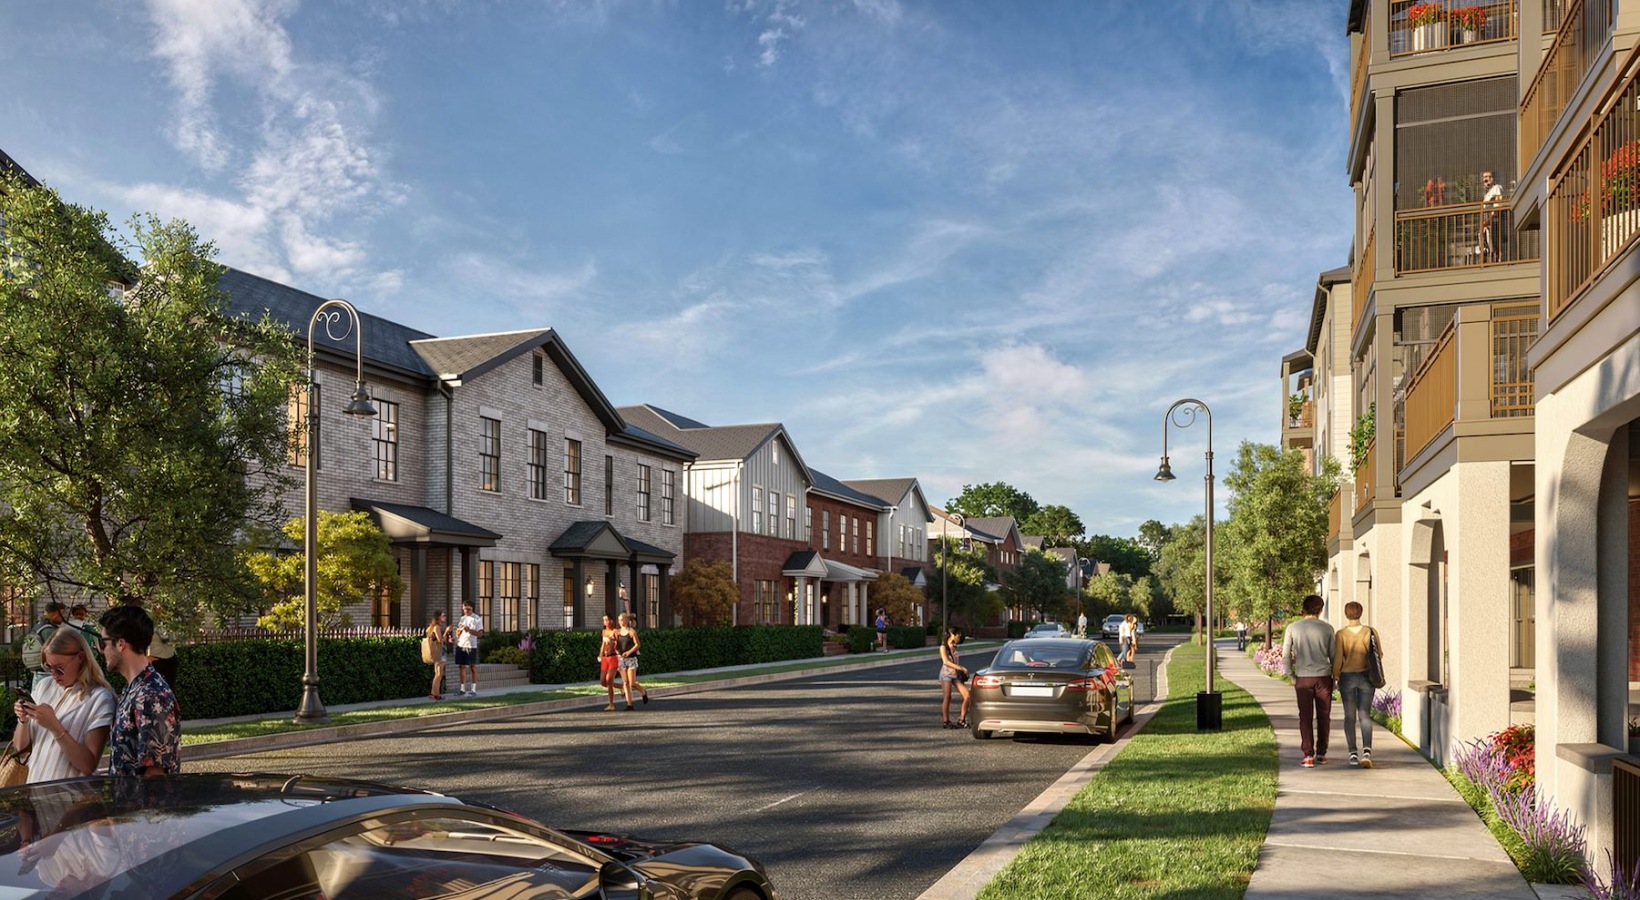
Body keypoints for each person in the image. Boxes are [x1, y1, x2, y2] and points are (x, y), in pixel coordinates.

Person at [12, 627, 115, 782]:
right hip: (36, 792)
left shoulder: (100, 698)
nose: (53, 675)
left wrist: (54, 726)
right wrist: (23, 720)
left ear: (80, 657)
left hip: (73, 799)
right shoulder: (44, 686)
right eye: (48, 667)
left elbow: (88, 765)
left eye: (59, 668)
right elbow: (21, 750)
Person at [98, 604, 180, 777]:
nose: (101, 650)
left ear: (120, 644)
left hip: (140, 804)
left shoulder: (150, 695)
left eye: (102, 642)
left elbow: (155, 776)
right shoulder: (135, 689)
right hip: (125, 803)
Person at [1283, 594, 1336, 768]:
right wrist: (1335, 677)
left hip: (1303, 677)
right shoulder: (1328, 629)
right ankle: (1322, 753)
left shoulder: (1293, 628)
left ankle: (1308, 755)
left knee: (1305, 717)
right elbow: (1333, 655)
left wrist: (1291, 676)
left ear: (1303, 608)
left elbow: (1286, 655)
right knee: (1324, 716)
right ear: (1320, 610)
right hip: (1323, 677)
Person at [1332, 601, 1383, 768]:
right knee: (1365, 715)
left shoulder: (1341, 634)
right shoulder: (1370, 632)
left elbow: (1338, 658)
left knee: (1349, 716)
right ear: (1360, 613)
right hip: (1367, 677)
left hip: (1347, 677)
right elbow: (1379, 654)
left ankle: (1353, 753)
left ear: (1346, 614)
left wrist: (1335, 675)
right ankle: (1367, 752)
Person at [23, 602, 67, 689]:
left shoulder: (38, 626)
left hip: (37, 673)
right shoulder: (49, 630)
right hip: (47, 674)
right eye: (61, 614)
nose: (63, 617)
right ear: (54, 613)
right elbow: (58, 651)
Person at [937, 627, 971, 729]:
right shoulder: (943, 647)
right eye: (957, 635)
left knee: (967, 695)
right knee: (947, 697)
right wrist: (961, 668)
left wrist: (960, 671)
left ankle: (962, 719)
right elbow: (946, 662)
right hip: (946, 675)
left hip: (955, 675)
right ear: (952, 635)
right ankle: (946, 721)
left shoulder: (954, 646)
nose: (959, 637)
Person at [616, 612, 650, 710]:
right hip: (621, 659)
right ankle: (629, 704)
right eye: (619, 620)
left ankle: (643, 692)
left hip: (631, 659)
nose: (620, 622)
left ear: (626, 620)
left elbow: (637, 645)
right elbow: (616, 644)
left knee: (632, 683)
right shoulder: (617, 632)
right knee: (625, 682)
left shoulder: (631, 632)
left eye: (622, 620)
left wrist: (629, 652)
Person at [454, 600, 484, 696]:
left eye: (468, 609)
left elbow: (480, 634)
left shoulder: (477, 619)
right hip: (461, 644)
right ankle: (462, 689)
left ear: (472, 608)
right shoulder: (462, 618)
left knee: (472, 667)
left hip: (471, 645)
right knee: (461, 666)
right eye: (464, 609)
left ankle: (473, 690)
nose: (466, 611)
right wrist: (458, 631)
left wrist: (469, 630)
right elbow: (458, 634)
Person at [1480, 170, 1508, 261]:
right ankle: (1493, 259)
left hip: (1495, 221)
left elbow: (1498, 205)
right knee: (1490, 243)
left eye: (1488, 176)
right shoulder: (1486, 195)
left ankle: (1499, 260)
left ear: (1493, 179)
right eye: (1484, 177)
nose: (1486, 179)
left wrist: (1489, 220)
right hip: (1488, 223)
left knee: (1496, 241)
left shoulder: (1496, 188)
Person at [425, 611, 451, 701]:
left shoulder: (431, 627)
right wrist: (447, 632)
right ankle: (437, 695)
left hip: (437, 652)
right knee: (439, 674)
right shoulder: (436, 627)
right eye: (443, 615)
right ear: (438, 617)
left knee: (437, 674)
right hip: (439, 653)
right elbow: (440, 640)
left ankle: (433, 693)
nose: (445, 617)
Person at [598, 614, 620, 711]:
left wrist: (613, 644)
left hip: (613, 657)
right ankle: (621, 687)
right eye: (604, 620)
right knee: (603, 681)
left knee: (609, 680)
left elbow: (618, 644)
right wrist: (600, 654)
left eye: (606, 620)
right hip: (605, 658)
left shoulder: (615, 631)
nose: (605, 622)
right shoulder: (604, 631)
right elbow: (603, 644)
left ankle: (611, 704)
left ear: (611, 621)